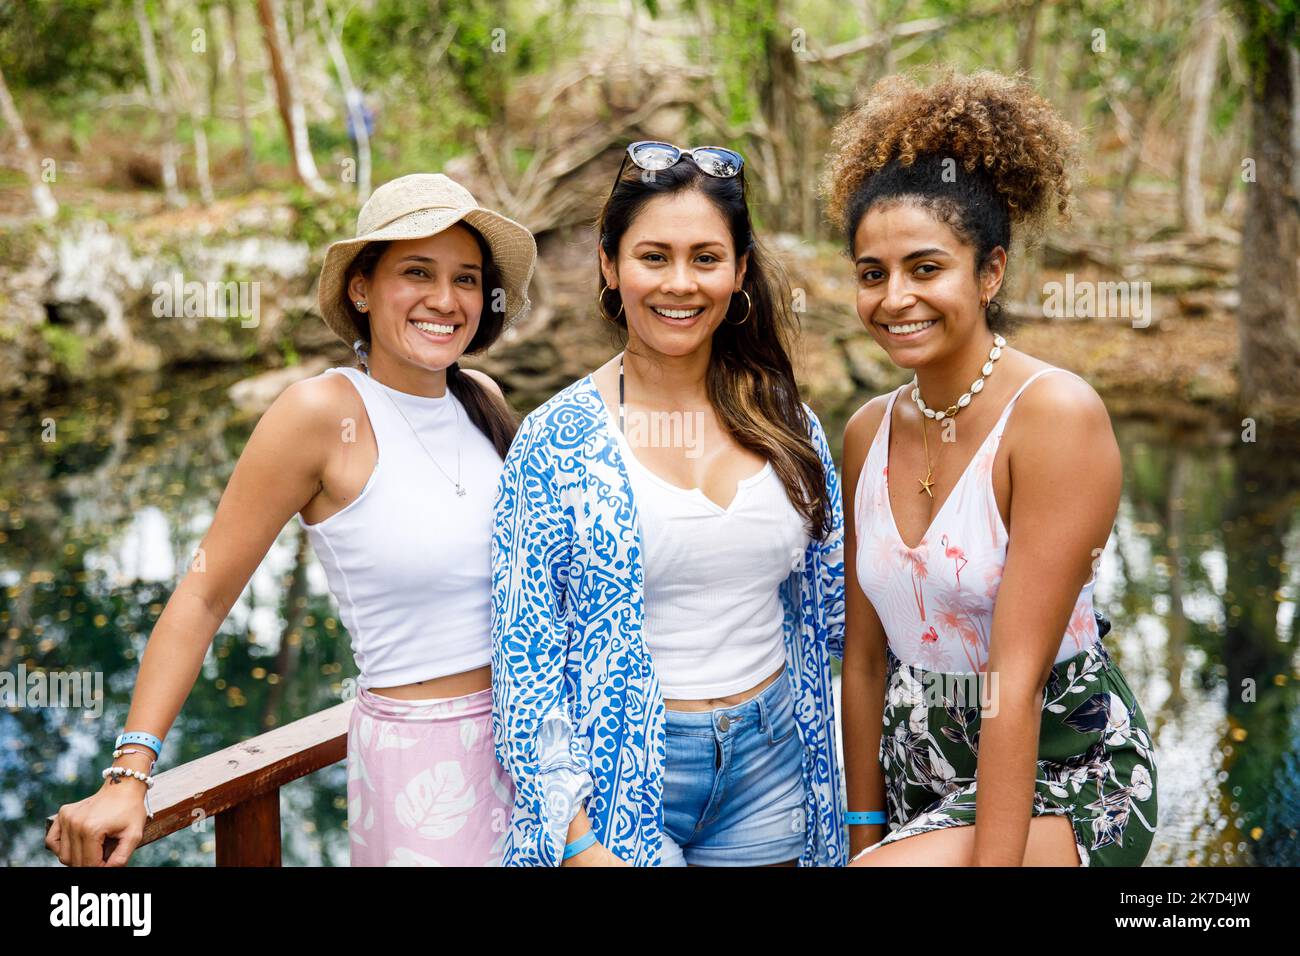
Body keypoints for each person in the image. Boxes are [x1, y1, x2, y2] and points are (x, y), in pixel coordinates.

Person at [46, 173, 536, 867]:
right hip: (423, 763)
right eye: (417, 272)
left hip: (536, 746)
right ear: (360, 288)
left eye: (465, 278)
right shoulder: (319, 413)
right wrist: (130, 774)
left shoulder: (480, 397)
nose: (445, 299)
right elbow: (204, 592)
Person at [826, 70, 1157, 866]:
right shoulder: (867, 431)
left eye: (926, 268)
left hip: (1057, 762)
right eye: (873, 274)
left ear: (991, 272)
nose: (895, 297)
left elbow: (1014, 684)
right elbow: (864, 660)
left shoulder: (1053, 417)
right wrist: (864, 833)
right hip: (918, 764)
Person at [490, 142, 847, 867]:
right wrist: (578, 840)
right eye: (653, 256)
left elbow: (833, 610)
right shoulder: (555, 443)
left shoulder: (788, 423)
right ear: (608, 264)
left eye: (705, 258)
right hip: (622, 779)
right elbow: (525, 660)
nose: (679, 283)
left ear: (740, 271)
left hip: (772, 762)